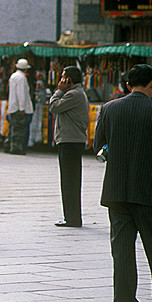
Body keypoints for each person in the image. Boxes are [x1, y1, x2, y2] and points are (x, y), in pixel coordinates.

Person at [92, 64, 152, 302]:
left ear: (129, 85)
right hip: (149, 193)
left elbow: (99, 147)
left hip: (117, 192)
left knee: (122, 253)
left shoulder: (109, 109)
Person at [49, 66, 90, 228]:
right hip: (70, 140)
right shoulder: (75, 93)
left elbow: (54, 106)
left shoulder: (73, 94)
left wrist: (58, 91)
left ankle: (72, 218)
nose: (60, 81)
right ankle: (71, 216)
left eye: (63, 78)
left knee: (69, 181)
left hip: (70, 141)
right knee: (69, 181)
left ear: (69, 80)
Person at [7, 58, 33, 155]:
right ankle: (18, 148)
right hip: (20, 108)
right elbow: (21, 94)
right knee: (20, 129)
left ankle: (10, 146)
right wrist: (22, 108)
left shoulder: (13, 76)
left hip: (13, 107)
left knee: (13, 128)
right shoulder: (22, 78)